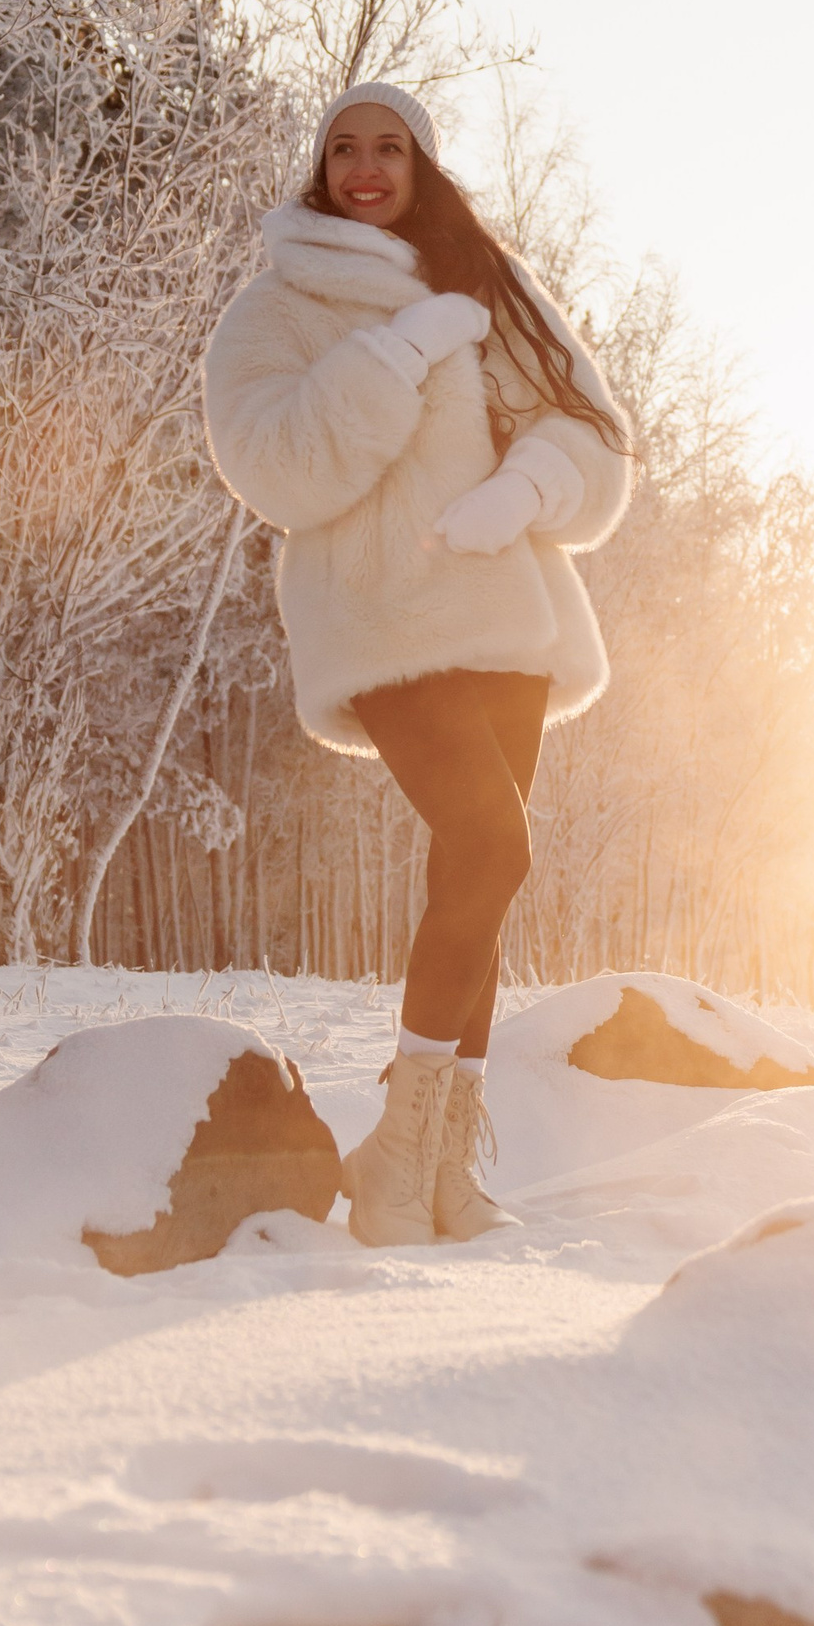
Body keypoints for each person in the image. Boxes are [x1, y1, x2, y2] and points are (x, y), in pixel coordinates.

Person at [201, 81, 632, 1243]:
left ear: (423, 164)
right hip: (383, 618)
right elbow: (282, 466)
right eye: (344, 146)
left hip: (507, 617)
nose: (366, 165)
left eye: (390, 147)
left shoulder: (485, 280)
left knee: (477, 879)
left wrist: (523, 488)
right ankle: (395, 1146)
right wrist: (398, 349)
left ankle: (443, 1170)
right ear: (320, 165)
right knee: (495, 841)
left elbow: (592, 431)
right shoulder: (274, 306)